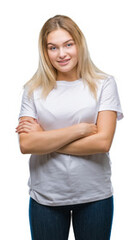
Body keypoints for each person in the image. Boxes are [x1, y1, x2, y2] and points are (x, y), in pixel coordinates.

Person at [17, 15, 122, 240]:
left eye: (68, 44)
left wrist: (44, 138)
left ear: (79, 44)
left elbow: (102, 142)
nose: (62, 54)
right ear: (45, 52)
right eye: (53, 47)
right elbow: (26, 144)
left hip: (95, 196)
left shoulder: (104, 83)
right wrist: (79, 130)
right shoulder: (32, 89)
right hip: (46, 198)